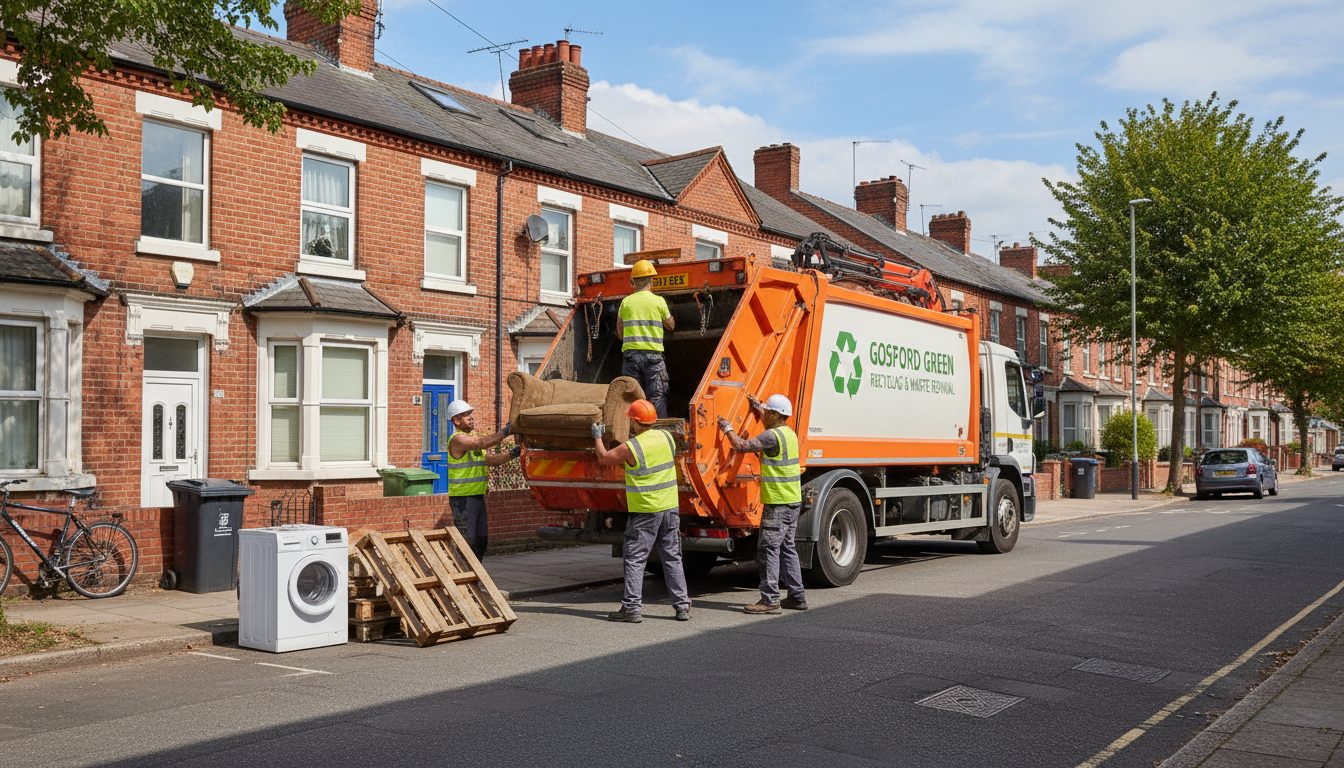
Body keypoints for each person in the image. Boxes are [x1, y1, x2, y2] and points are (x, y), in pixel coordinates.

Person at [593, 399, 691, 623]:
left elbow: (603, 458)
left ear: (636, 422)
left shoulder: (632, 447)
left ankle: (631, 608)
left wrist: (597, 436)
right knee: (672, 557)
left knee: (635, 559)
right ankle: (682, 607)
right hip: (669, 509)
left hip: (645, 511)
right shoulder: (667, 438)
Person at [718, 394, 807, 614]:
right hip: (792, 500)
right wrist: (758, 407)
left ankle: (770, 600)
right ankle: (796, 596)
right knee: (787, 549)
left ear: (776, 415)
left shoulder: (772, 436)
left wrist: (727, 427)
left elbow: (741, 445)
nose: (764, 415)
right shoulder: (789, 434)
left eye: (767, 412)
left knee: (768, 549)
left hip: (777, 503)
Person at [445, 399, 519, 559]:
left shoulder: (470, 441)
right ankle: (462, 578)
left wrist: (513, 454)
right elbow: (480, 443)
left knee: (481, 541)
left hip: (477, 498)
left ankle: (475, 578)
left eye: (471, 414)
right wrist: (506, 431)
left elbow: (490, 460)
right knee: (467, 542)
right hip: (463, 499)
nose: (471, 418)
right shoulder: (458, 440)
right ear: (456, 421)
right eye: (466, 415)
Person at [617, 259, 675, 418]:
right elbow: (671, 326)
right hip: (653, 358)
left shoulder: (625, 302)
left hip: (631, 358)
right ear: (651, 280)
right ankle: (658, 433)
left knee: (633, 397)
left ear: (633, 282)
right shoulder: (658, 301)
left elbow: (620, 333)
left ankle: (633, 433)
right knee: (656, 395)